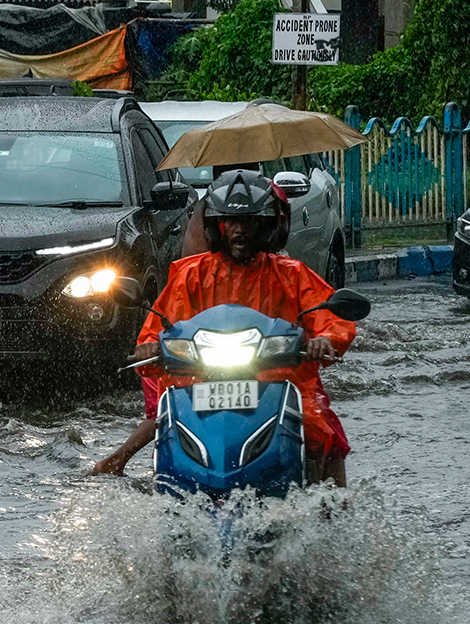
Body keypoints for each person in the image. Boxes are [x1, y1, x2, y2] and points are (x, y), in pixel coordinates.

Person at [92, 169, 355, 485]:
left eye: (248, 221)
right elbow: (157, 325)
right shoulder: (191, 275)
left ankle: (331, 507)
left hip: (279, 380)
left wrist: (323, 340)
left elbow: (331, 318)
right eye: (230, 221)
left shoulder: (292, 274)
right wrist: (149, 345)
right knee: (168, 426)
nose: (239, 229)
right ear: (217, 226)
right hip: (201, 378)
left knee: (319, 427)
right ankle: (170, 488)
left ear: (267, 225)